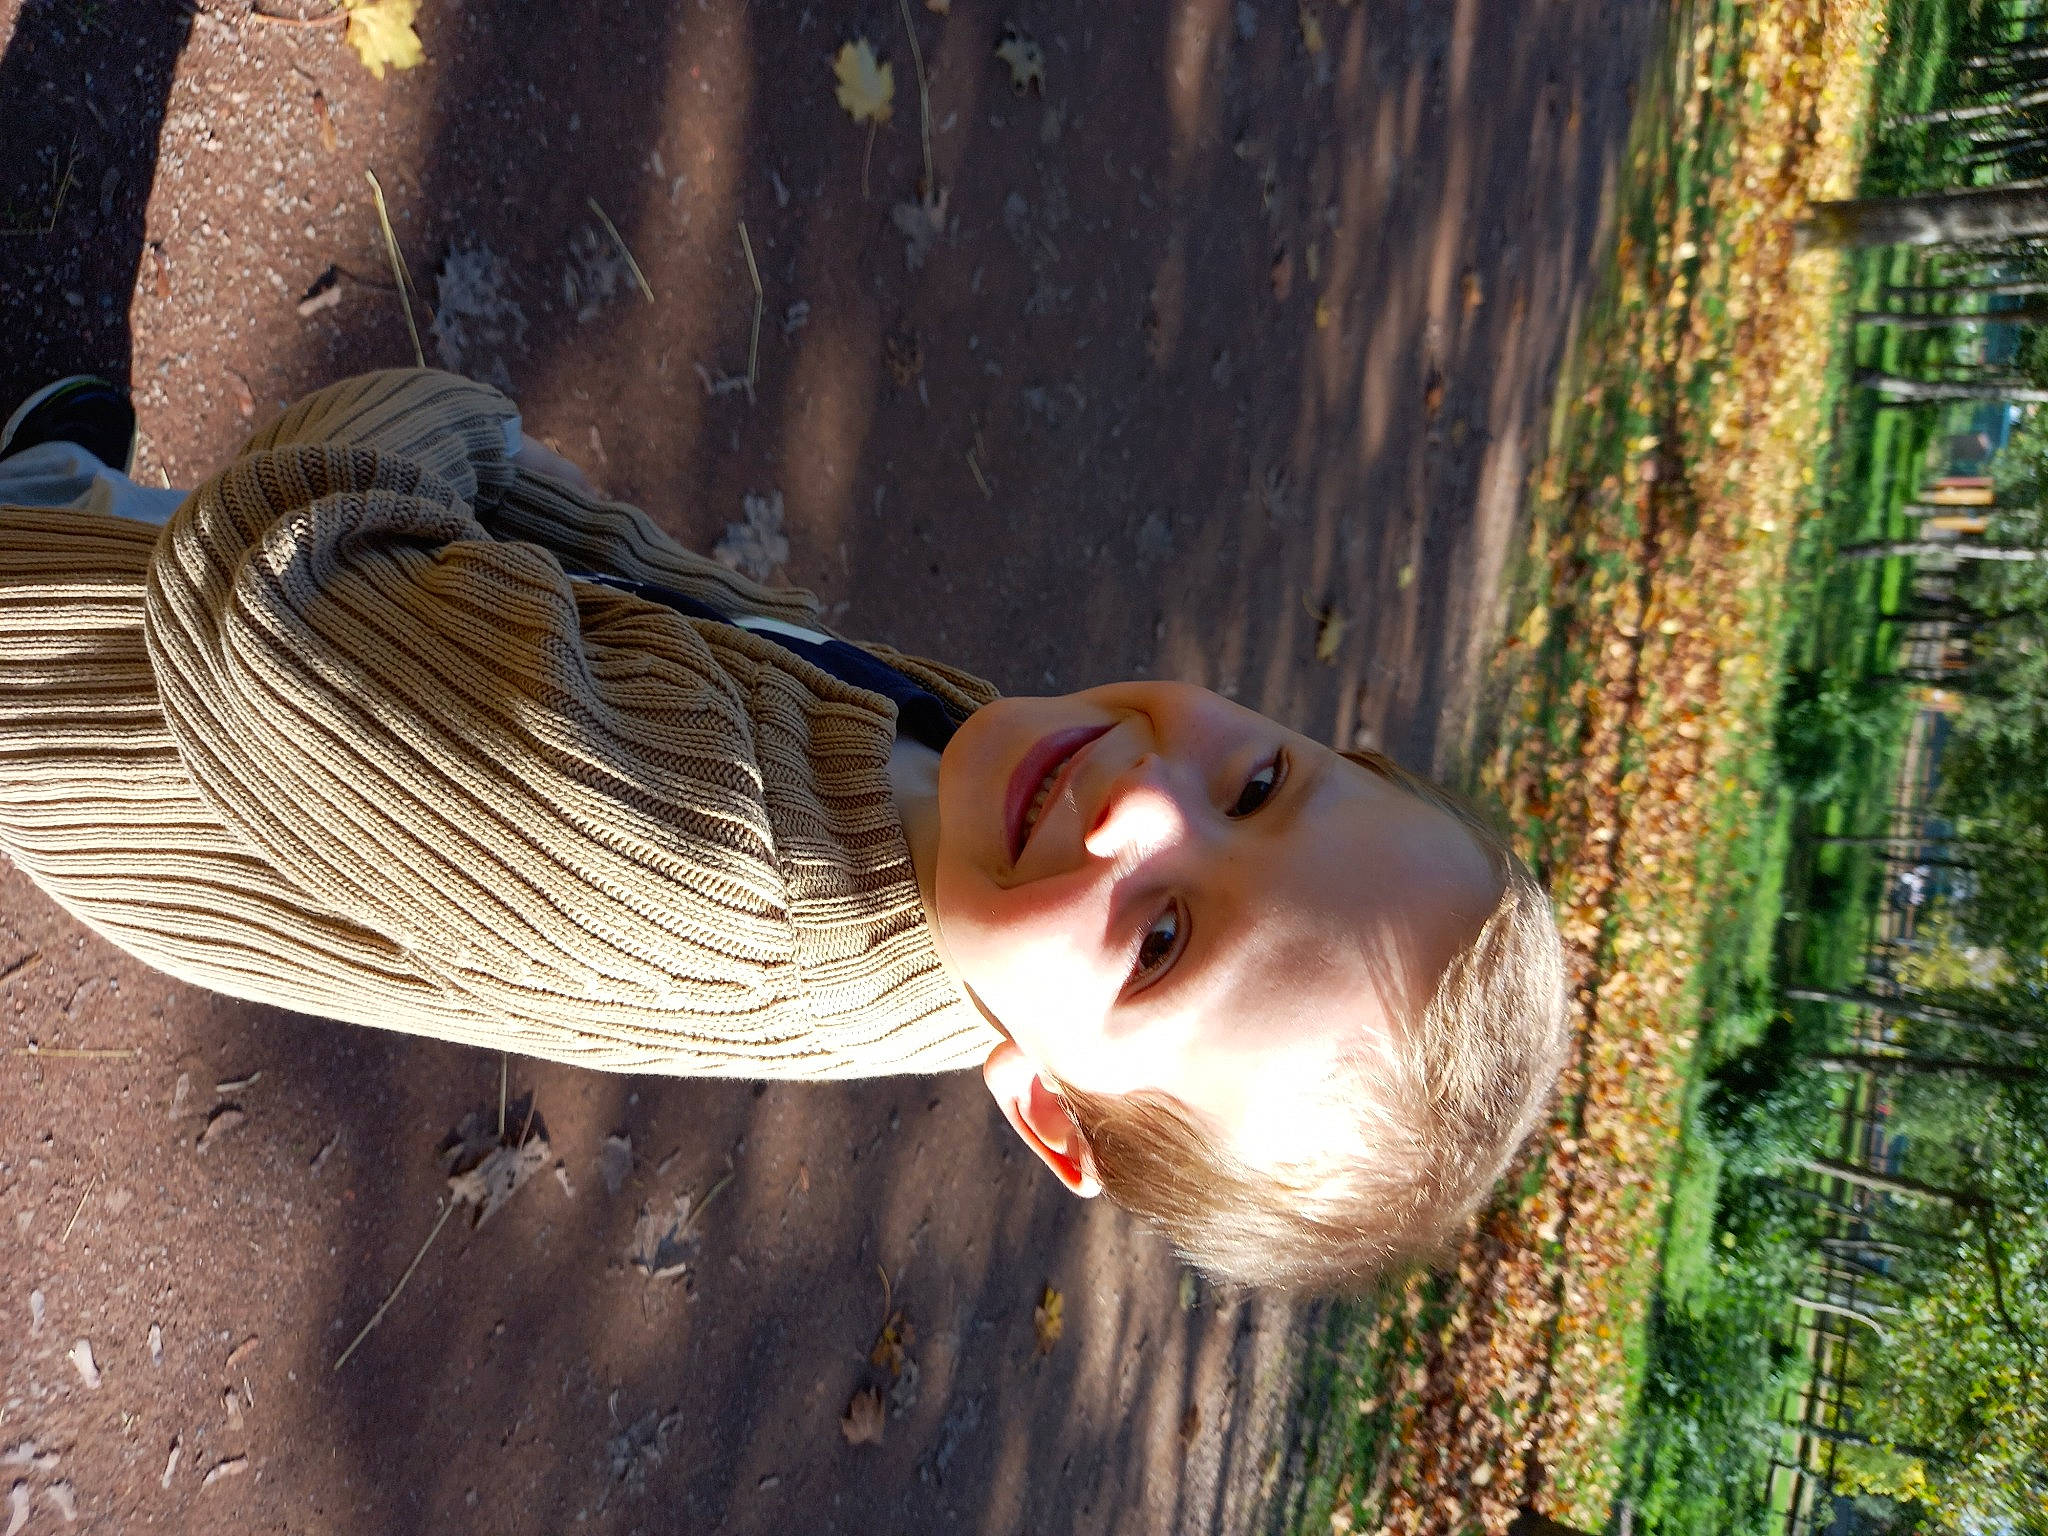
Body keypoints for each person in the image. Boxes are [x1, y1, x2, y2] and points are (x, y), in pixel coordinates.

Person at [0, 368, 1571, 1289]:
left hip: (90, 696)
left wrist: (451, 430)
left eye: (1166, 940)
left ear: (1048, 1110)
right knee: (109, 521)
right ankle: (55, 483)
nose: (1145, 803)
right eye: (1261, 787)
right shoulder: (984, 813)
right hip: (275, 712)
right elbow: (688, 618)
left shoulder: (703, 864)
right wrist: (506, 510)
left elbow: (266, 601)